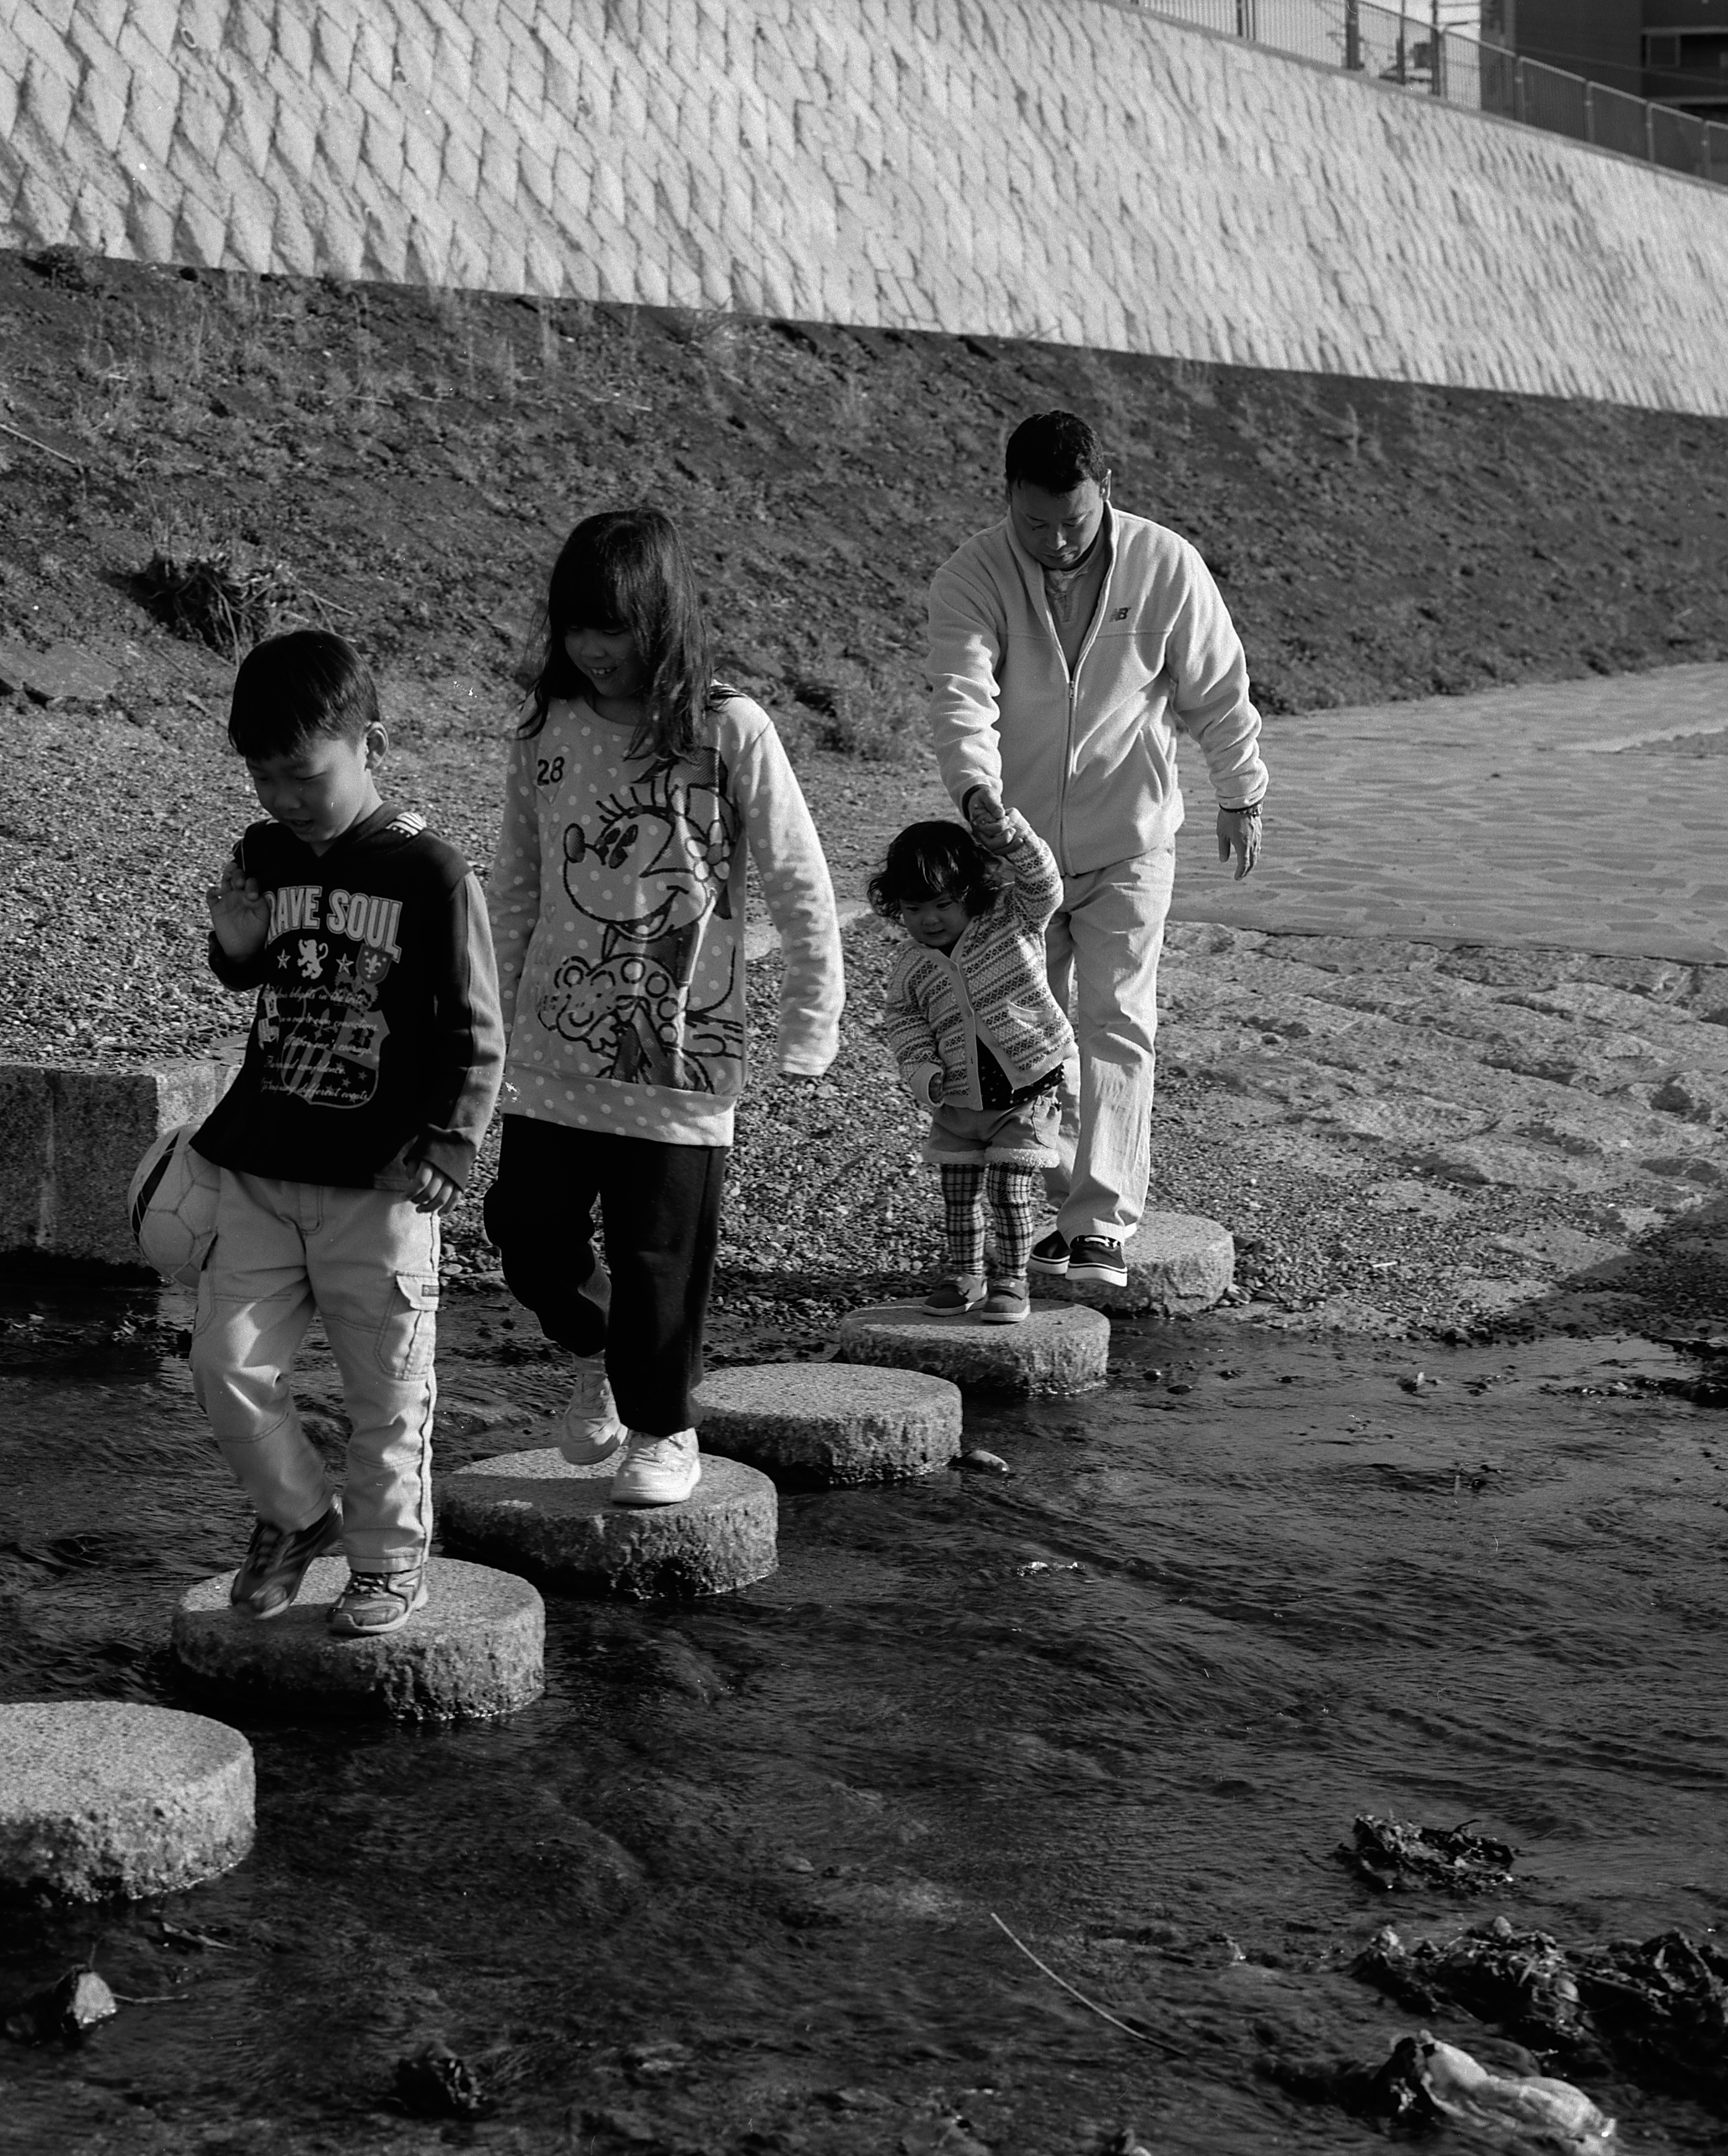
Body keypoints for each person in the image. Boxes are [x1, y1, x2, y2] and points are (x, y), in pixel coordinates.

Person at [485, 507, 843, 1508]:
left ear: (662, 619)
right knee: (527, 1232)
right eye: (575, 626)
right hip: (553, 1040)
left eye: (613, 627)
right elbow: (515, 883)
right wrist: (486, 1017)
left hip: (682, 1051)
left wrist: (810, 1018)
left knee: (660, 1257)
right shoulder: (546, 731)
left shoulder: (727, 728)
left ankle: (660, 1428)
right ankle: (603, 1348)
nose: (592, 649)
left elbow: (798, 877)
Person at [183, 627, 503, 1637]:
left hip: (383, 1179)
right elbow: (251, 966)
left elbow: (474, 1026)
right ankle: (296, 1514)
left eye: (303, 774)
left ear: (374, 744)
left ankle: (388, 1563)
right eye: (261, 775)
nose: (282, 797)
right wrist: (234, 946)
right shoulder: (264, 854)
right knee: (223, 1363)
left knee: (388, 1392)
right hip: (265, 1160)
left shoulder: (429, 872)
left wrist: (451, 1140)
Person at [927, 410, 1269, 1289]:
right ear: (1007, 496)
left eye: (1072, 522)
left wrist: (1240, 792)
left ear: (1105, 490)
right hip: (1016, 852)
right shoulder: (971, 574)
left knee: (1116, 1017)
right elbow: (962, 695)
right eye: (1034, 522)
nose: (1054, 541)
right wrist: (976, 794)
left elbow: (1217, 688)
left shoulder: (1165, 564)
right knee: (1026, 1028)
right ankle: (1055, 1205)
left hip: (1131, 839)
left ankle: (1101, 1222)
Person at [869, 787, 1074, 1323]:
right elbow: (904, 1020)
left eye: (942, 905)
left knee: (1009, 1191)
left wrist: (1010, 838)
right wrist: (920, 1069)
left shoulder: (1011, 918)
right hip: (958, 1101)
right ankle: (965, 1276)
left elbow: (1044, 883)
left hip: (1025, 1090)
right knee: (957, 1196)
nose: (929, 920)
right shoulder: (910, 965)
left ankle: (1011, 1279)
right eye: (913, 909)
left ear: (970, 893)